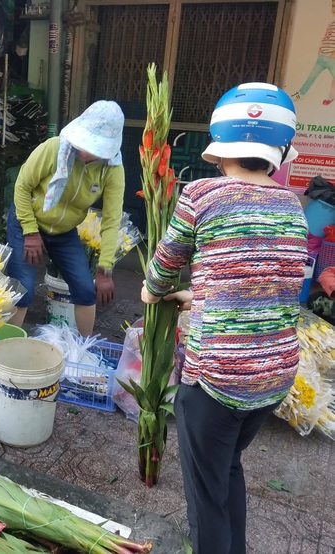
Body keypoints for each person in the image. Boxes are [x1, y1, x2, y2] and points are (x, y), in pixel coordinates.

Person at [140, 83, 308, 554]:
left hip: (218, 379)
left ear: (219, 149)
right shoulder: (292, 206)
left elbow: (162, 269)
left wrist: (153, 292)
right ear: (279, 149)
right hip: (274, 376)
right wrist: (204, 294)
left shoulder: (201, 194)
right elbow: (265, 279)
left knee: (205, 499)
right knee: (228, 466)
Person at [6, 100, 125, 337]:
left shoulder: (112, 169)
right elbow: (22, 187)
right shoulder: (53, 148)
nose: (84, 150)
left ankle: (84, 348)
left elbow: (112, 220)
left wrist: (105, 269)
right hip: (27, 223)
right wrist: (30, 232)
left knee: (84, 288)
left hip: (63, 232)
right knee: (24, 290)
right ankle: (3, 346)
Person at [291, 0, 335, 105]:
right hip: (322, 56)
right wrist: (320, 48)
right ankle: (301, 93)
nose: (334, 9)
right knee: (311, 76)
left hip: (332, 59)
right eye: (333, 6)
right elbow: (326, 37)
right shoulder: (331, 24)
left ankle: (330, 97)